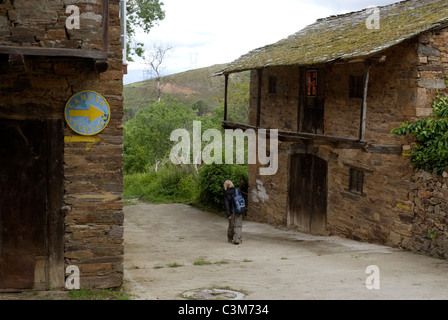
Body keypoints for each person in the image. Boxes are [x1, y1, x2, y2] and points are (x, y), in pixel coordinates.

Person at [223, 180, 244, 245]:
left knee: (231, 226)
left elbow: (227, 204)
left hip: (231, 212)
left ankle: (230, 238)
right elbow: (242, 200)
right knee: (238, 225)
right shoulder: (237, 191)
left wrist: (228, 214)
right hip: (238, 210)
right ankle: (237, 239)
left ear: (225, 186)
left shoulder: (226, 193)